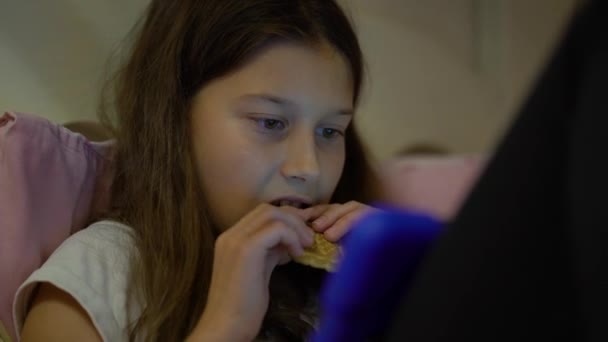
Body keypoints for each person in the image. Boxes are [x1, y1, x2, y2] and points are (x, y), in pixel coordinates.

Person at [16, 1, 379, 341]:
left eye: (330, 131)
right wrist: (225, 326)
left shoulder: (341, 282)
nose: (309, 168)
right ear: (176, 117)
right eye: (270, 122)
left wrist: (406, 296)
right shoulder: (96, 280)